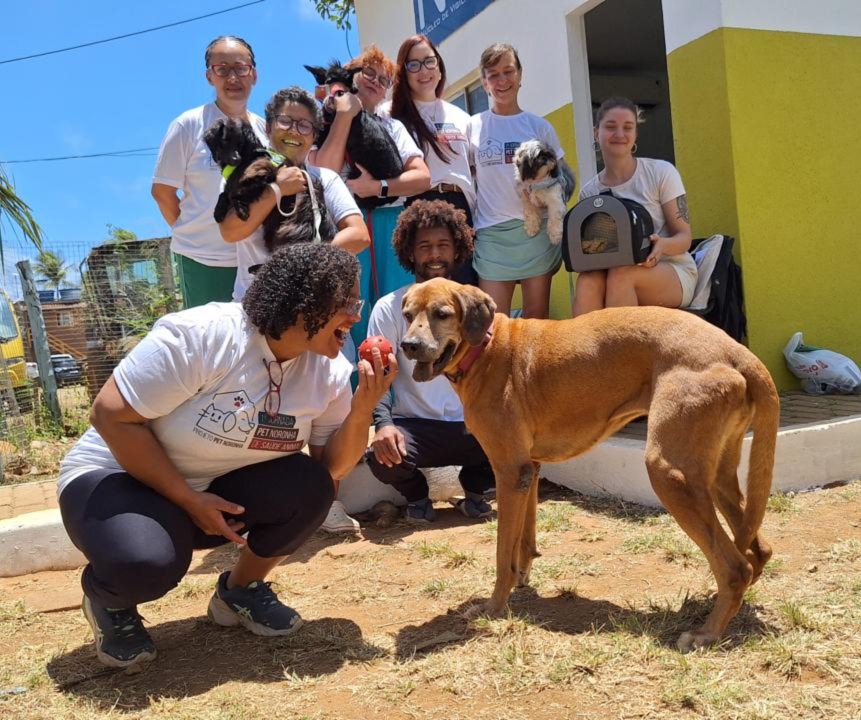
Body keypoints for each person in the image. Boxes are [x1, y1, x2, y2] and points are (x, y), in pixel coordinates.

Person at [57, 244, 396, 669]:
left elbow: (333, 469)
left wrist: (365, 404)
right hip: (117, 476)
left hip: (212, 492)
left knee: (313, 486)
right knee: (144, 564)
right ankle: (110, 601)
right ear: (303, 301)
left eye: (355, 303)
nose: (355, 316)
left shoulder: (325, 373)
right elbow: (110, 416)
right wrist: (187, 499)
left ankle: (240, 591)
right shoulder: (204, 336)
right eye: (345, 304)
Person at [364, 200, 495, 523]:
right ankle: (417, 497)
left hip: (472, 423)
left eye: (442, 245)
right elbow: (378, 375)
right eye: (424, 246)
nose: (434, 254)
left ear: (458, 249)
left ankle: (475, 492)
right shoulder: (388, 307)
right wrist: (384, 426)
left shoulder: (473, 304)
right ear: (410, 252)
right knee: (381, 458)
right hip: (417, 428)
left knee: (523, 441)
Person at [309, 45, 431, 343]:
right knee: (348, 309)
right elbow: (325, 169)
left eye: (384, 79)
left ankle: (400, 384)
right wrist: (344, 116)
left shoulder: (393, 126)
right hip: (345, 223)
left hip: (391, 221)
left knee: (398, 305)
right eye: (369, 73)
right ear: (351, 76)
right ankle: (357, 385)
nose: (377, 81)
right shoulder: (320, 122)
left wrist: (378, 187)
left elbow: (421, 177)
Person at [217, 86, 369, 301]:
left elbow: (359, 236)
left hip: (314, 302)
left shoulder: (326, 179)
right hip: (254, 304)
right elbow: (230, 231)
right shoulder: (243, 177)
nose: (294, 131)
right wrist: (276, 190)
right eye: (285, 121)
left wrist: (298, 265)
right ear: (268, 128)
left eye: (304, 126)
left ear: (314, 137)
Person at [152, 36, 266, 307]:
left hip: (256, 260)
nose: (232, 77)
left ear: (254, 74)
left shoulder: (266, 131)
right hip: (205, 262)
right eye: (221, 69)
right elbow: (162, 191)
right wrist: (192, 232)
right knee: (209, 345)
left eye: (240, 67)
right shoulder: (189, 125)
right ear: (209, 77)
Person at [469, 43, 571, 320]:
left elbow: (562, 180)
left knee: (537, 321)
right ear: (484, 82)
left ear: (520, 74)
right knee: (494, 325)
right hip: (492, 237)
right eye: (493, 75)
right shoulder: (473, 126)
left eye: (508, 71)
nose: (502, 81)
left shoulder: (539, 126)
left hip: (535, 236)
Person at [572, 96, 697, 316]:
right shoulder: (589, 193)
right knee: (587, 281)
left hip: (672, 270)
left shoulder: (661, 173)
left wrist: (662, 246)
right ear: (596, 133)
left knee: (622, 275)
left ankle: (624, 350)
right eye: (611, 127)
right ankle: (584, 350)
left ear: (635, 134)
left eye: (627, 127)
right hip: (612, 273)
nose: (619, 134)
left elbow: (684, 237)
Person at [386, 34, 478, 285]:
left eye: (428, 61)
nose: (422, 70)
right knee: (423, 292)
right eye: (413, 64)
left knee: (463, 291)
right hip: (416, 207)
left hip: (460, 209)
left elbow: (474, 171)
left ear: (439, 66)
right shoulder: (390, 115)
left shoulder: (462, 117)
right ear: (403, 73)